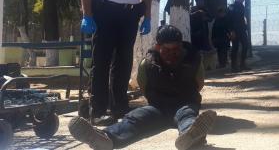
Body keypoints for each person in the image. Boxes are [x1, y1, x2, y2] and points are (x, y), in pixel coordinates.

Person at [69, 25, 217, 150]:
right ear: (158, 47)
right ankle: (105, 138)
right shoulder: (147, 64)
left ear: (181, 45)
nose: (172, 54)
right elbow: (144, 86)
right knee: (136, 117)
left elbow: (199, 84)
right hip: (158, 107)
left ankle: (190, 137)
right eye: (167, 50)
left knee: (187, 115)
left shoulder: (193, 60)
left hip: (185, 103)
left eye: (176, 49)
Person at [227, 0, 250, 72]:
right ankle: (233, 66)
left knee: (245, 45)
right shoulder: (231, 7)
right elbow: (229, 20)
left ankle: (242, 64)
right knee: (235, 47)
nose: (243, 0)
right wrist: (231, 31)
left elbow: (243, 18)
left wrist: (245, 27)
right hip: (234, 30)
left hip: (242, 29)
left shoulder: (242, 7)